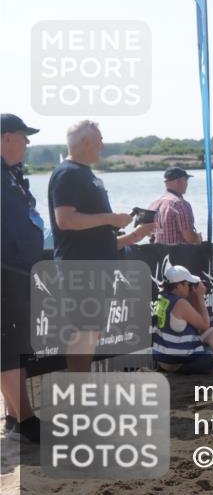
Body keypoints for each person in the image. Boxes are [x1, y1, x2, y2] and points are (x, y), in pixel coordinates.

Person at [47, 121, 134, 372]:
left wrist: (125, 229)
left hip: (96, 267)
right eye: (99, 140)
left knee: (90, 334)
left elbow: (93, 226)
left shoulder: (86, 173)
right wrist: (110, 219)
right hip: (80, 267)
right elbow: (66, 220)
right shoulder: (68, 173)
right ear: (85, 142)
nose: (102, 145)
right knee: (82, 334)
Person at [1, 114, 44, 443]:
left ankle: (16, 417)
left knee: (13, 345)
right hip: (5, 269)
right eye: (23, 136)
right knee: (9, 345)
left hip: (17, 268)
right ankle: (26, 420)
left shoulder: (11, 174)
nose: (28, 142)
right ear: (5, 137)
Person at [148, 167, 203, 245]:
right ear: (179, 181)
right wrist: (198, 237)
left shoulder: (154, 203)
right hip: (178, 252)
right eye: (186, 180)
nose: (187, 184)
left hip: (158, 252)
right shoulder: (179, 204)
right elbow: (190, 238)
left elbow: (151, 234)